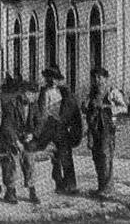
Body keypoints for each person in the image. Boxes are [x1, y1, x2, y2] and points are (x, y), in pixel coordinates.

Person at [33, 65, 83, 195]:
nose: (53, 81)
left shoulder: (63, 92)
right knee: (54, 156)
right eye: (50, 78)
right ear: (47, 78)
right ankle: (59, 183)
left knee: (66, 155)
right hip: (49, 126)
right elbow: (43, 113)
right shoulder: (44, 92)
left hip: (61, 127)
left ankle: (71, 185)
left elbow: (70, 109)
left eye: (55, 78)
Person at [0, 79, 41, 204]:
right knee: (12, 159)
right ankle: (10, 191)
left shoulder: (34, 105)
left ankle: (32, 190)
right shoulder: (11, 104)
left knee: (29, 159)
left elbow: (40, 123)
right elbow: (7, 126)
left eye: (34, 94)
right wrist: (16, 142)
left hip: (26, 138)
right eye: (30, 93)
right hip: (10, 139)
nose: (33, 96)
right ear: (23, 93)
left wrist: (32, 134)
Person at [84, 66, 128, 199]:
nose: (97, 80)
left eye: (100, 77)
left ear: (106, 78)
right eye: (95, 78)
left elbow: (124, 108)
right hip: (94, 128)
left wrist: (107, 107)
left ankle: (107, 189)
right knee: (96, 156)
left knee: (106, 156)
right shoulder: (92, 93)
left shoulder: (112, 92)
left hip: (107, 128)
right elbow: (88, 109)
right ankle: (100, 187)